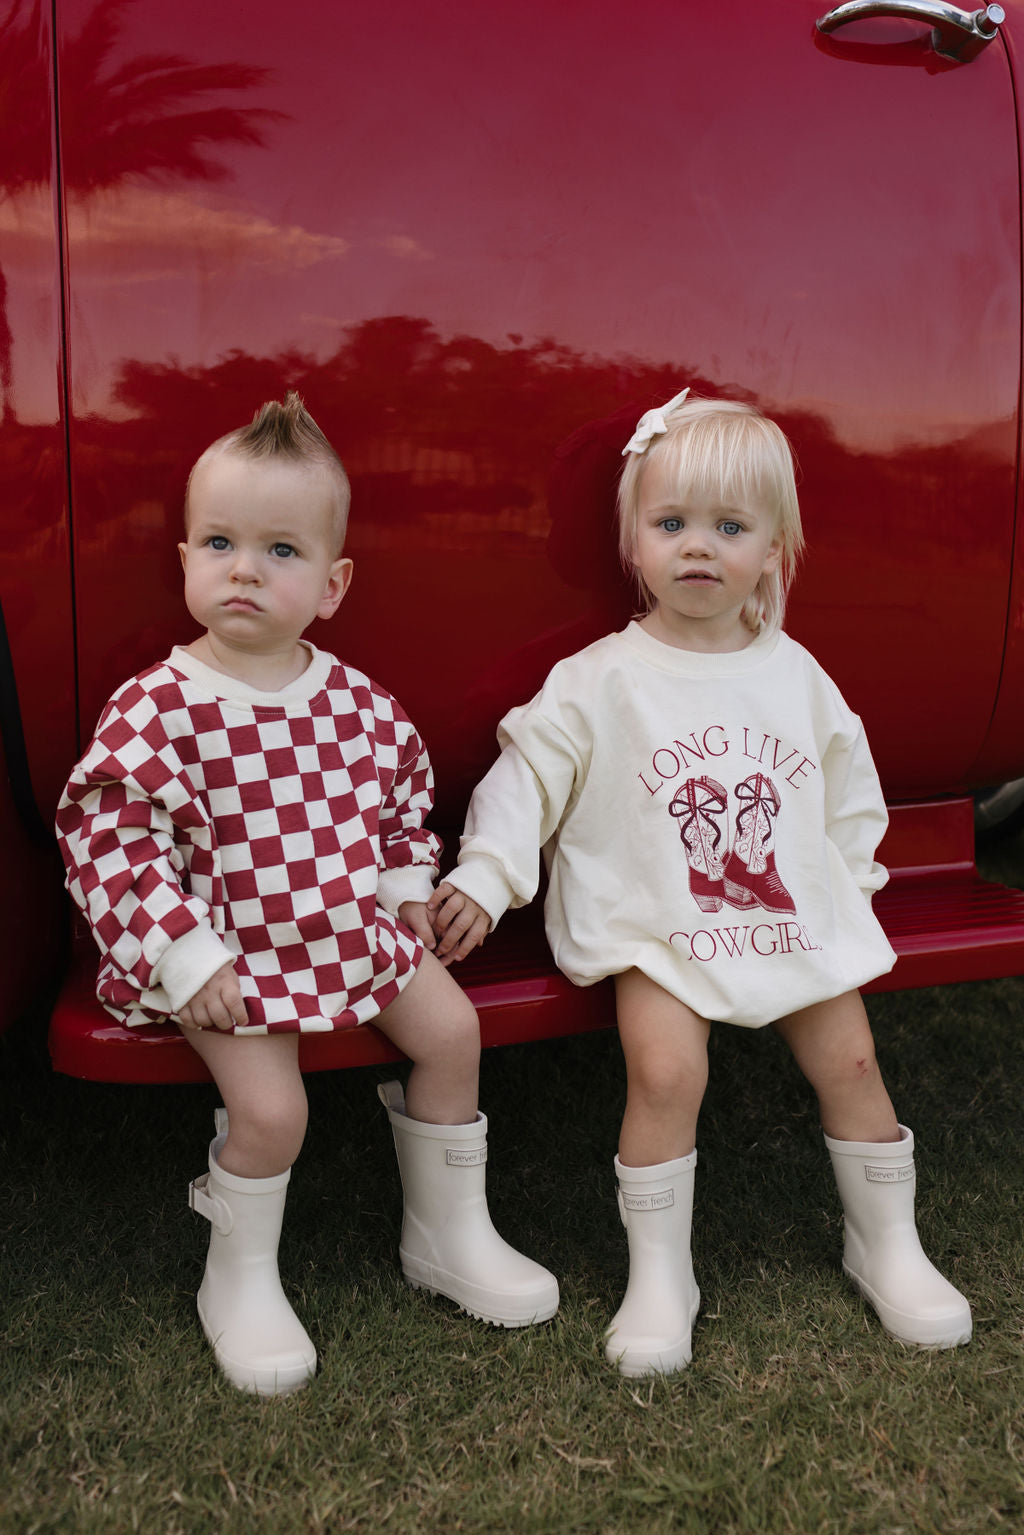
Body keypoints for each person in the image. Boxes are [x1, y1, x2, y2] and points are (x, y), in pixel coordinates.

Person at [428, 389, 971, 1376]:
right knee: (667, 1071)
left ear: (773, 549)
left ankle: (885, 1240)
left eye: (728, 527)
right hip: (660, 924)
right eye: (670, 523)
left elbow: (848, 784)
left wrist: (848, 881)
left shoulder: (795, 674)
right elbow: (528, 771)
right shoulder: (601, 678)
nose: (696, 547)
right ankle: (660, 1270)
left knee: (851, 1062)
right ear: (631, 541)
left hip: (788, 918)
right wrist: (486, 868)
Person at [56, 393, 558, 1396]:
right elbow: (108, 841)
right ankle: (236, 1276)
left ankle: (445, 1232)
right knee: (273, 1110)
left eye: (279, 550)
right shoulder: (159, 706)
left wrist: (406, 887)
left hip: (349, 931)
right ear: (186, 559)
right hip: (226, 955)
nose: (244, 567)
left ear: (331, 585)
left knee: (454, 1033)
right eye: (220, 541)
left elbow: (400, 803)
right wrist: (183, 956)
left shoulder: (359, 704)